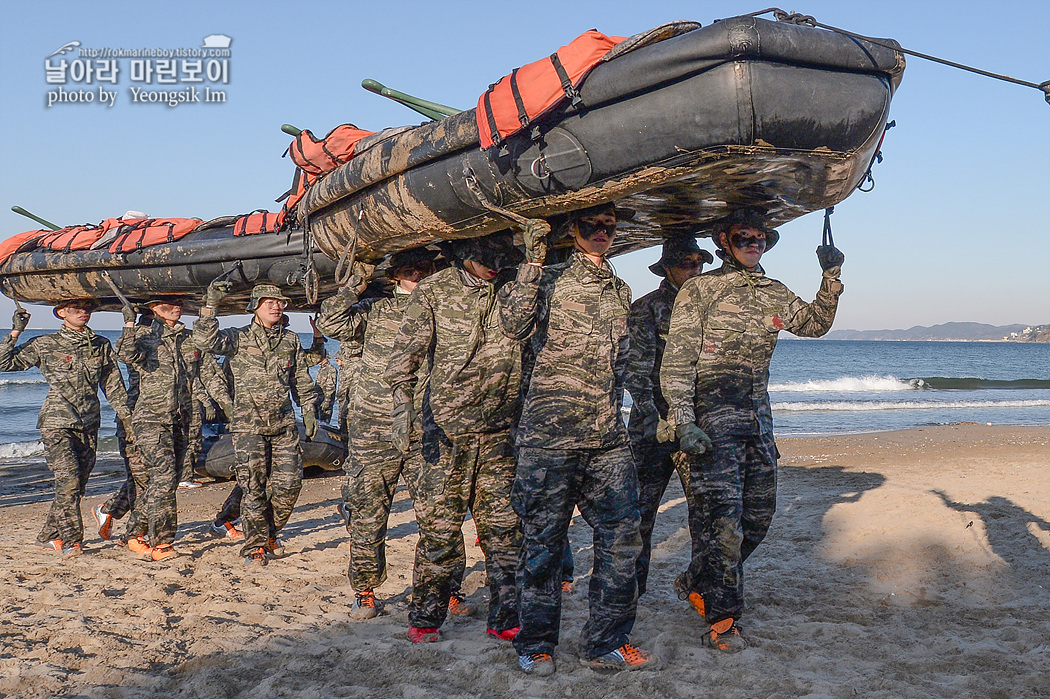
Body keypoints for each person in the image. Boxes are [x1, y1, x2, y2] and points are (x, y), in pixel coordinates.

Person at [661, 207, 844, 652]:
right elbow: (678, 361)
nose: (753, 244)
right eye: (744, 237)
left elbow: (815, 325)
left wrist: (832, 276)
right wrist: (683, 421)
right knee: (722, 525)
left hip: (758, 422)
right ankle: (724, 622)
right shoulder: (701, 291)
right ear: (724, 241)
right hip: (710, 424)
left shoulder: (773, 292)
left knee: (758, 519)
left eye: (759, 238)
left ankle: (697, 580)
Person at [500, 204, 654, 676]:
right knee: (543, 548)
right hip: (548, 439)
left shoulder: (619, 289)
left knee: (624, 539)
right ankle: (537, 645)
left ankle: (605, 641)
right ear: (573, 229)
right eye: (593, 226)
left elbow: (624, 360)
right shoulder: (545, 280)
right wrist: (531, 262)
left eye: (610, 227)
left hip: (606, 438)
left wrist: (652, 409)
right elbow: (513, 326)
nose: (603, 234)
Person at [318, 247, 477, 621]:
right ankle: (365, 590)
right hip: (375, 428)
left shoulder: (445, 309)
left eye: (424, 269)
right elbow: (331, 321)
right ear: (394, 276)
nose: (417, 275)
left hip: (428, 428)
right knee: (369, 515)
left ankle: (446, 588)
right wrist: (356, 282)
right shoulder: (375, 311)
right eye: (409, 270)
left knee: (440, 515)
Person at [384, 231, 524, 644]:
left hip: (500, 431)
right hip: (446, 432)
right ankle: (426, 618)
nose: (495, 264)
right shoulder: (434, 291)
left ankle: (506, 618)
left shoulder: (516, 287)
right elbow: (404, 356)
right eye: (487, 257)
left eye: (502, 256)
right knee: (441, 532)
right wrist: (400, 406)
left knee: (504, 531)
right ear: (466, 254)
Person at [192, 282, 320, 566]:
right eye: (269, 302)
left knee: (289, 486)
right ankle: (255, 546)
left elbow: (300, 377)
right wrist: (210, 306)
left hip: (283, 424)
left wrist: (309, 409)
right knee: (253, 487)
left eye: (280, 302)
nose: (277, 306)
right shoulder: (238, 338)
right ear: (255, 307)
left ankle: (270, 532)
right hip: (248, 426)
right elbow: (204, 341)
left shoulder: (290, 340)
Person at [0, 299, 131, 557]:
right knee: (69, 482)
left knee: (75, 486)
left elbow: (113, 385)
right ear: (61, 313)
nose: (83, 312)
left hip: (89, 424)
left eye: (88, 309)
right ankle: (73, 541)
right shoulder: (45, 344)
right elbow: (3, 364)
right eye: (76, 308)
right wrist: (15, 332)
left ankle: (48, 534)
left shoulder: (101, 345)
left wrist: (128, 418)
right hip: (57, 422)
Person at [625, 236, 713, 597]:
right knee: (638, 515)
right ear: (667, 270)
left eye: (699, 263)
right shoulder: (646, 308)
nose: (695, 270)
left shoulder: (711, 307)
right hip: (652, 428)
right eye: (687, 264)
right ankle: (631, 591)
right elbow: (636, 371)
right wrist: (655, 418)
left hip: (696, 425)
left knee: (706, 514)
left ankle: (700, 587)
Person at [114, 297, 199, 561]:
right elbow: (125, 355)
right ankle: (162, 543)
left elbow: (202, 370)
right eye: (169, 303)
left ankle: (133, 533)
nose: (177, 307)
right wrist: (128, 323)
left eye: (179, 303)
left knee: (167, 482)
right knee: (162, 477)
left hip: (179, 419)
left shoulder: (187, 337)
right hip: (149, 419)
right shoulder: (145, 335)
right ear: (154, 308)